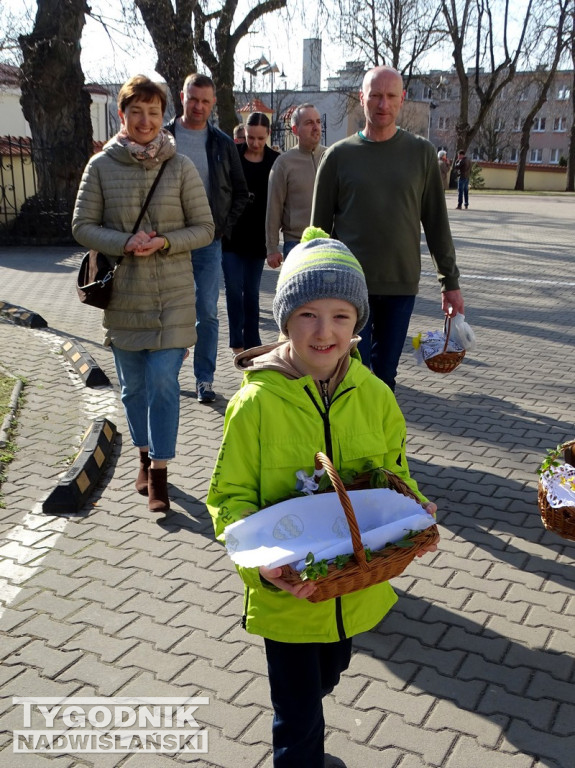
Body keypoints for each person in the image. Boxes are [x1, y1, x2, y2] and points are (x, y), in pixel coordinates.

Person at [206, 227, 438, 768]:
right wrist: (259, 567)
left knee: (331, 669)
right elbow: (230, 495)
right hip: (290, 591)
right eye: (308, 314)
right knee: (297, 713)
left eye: (340, 315)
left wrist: (414, 511)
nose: (324, 330)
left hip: (352, 582)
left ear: (357, 323)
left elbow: (394, 471)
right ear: (285, 320)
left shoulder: (376, 396)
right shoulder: (256, 404)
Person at [72, 75, 214, 513]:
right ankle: (142, 453)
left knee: (162, 382)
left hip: (172, 297)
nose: (146, 121)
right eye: (137, 112)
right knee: (133, 389)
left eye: (154, 112)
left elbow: (206, 228)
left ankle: (160, 476)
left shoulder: (181, 167)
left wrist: (166, 241)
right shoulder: (100, 167)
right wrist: (124, 242)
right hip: (125, 301)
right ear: (123, 115)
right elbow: (81, 227)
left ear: (163, 116)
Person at [311, 65, 464, 391]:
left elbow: (437, 223)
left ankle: (381, 442)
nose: (383, 104)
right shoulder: (338, 157)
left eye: (391, 96)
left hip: (400, 286)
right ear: (361, 98)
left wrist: (450, 282)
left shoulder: (421, 154)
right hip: (348, 289)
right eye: (376, 96)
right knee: (349, 377)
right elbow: (317, 235)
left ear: (402, 100)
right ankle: (346, 441)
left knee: (385, 378)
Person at [166, 73, 249, 403]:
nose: (198, 106)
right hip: (167, 241)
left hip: (207, 241)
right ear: (182, 97)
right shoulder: (163, 138)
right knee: (170, 310)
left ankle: (205, 379)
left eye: (205, 100)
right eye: (193, 98)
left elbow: (242, 193)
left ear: (213, 103)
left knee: (207, 312)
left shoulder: (223, 144)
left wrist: (222, 228)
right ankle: (167, 375)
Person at [221, 113, 280, 355]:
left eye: (260, 138)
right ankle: (237, 340)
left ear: (268, 135)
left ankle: (253, 341)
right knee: (234, 289)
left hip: (258, 238)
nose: (255, 143)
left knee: (252, 292)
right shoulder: (233, 157)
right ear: (244, 134)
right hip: (232, 235)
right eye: (250, 137)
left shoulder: (275, 161)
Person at [265, 103, 326, 270]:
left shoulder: (331, 157)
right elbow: (274, 208)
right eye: (309, 123)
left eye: (318, 122)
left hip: (329, 243)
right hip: (296, 244)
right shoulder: (284, 163)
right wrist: (272, 248)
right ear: (294, 130)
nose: (316, 127)